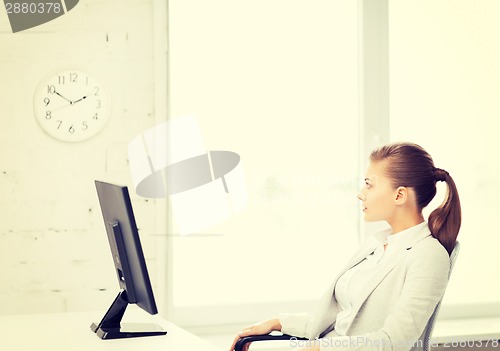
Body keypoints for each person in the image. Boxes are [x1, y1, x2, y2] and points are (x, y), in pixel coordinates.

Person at [229, 142, 461, 351]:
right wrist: (277, 322)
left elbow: (394, 341)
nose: (361, 194)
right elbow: (341, 321)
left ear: (399, 195)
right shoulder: (377, 245)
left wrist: (321, 349)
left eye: (369, 185)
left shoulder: (428, 256)